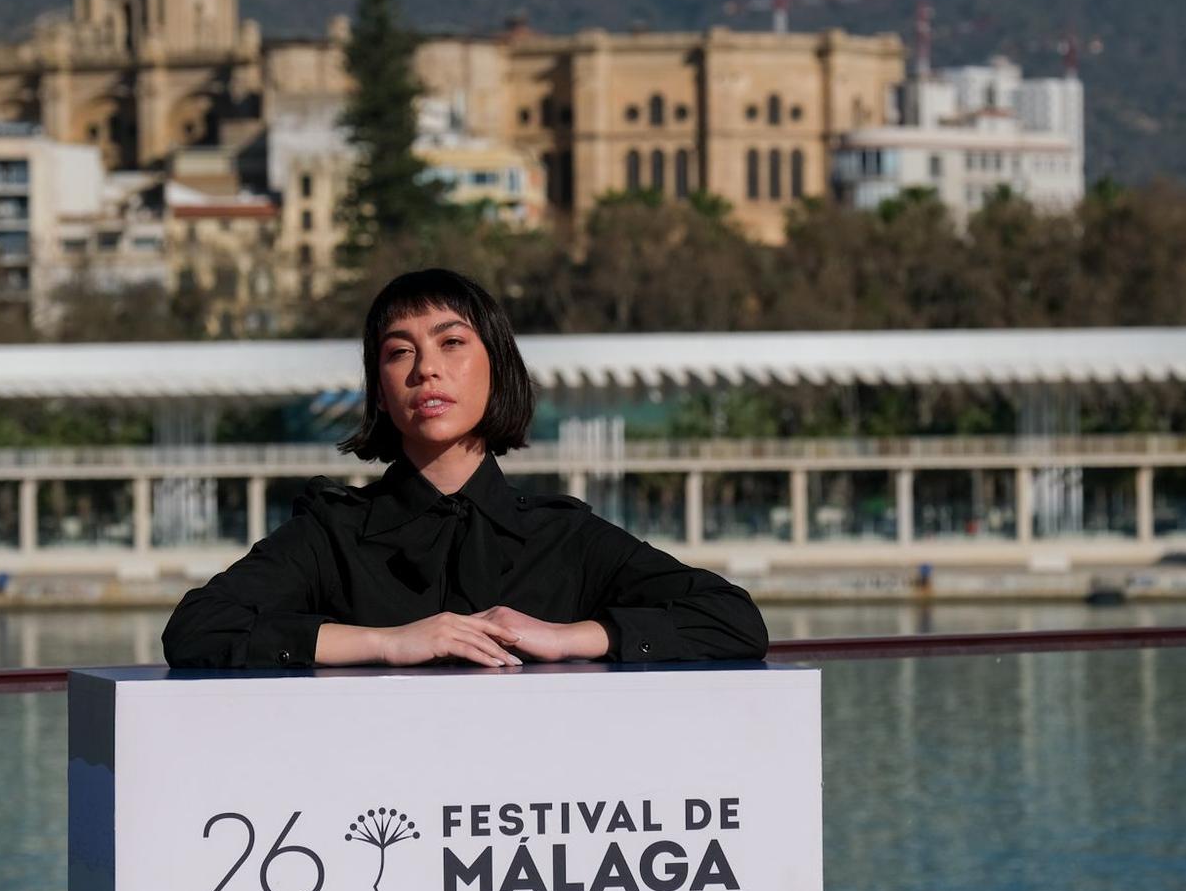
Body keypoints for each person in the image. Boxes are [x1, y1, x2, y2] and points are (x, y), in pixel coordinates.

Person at [162, 267, 769, 669]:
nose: (426, 369)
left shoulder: (565, 539)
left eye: (452, 343)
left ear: (497, 367)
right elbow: (196, 630)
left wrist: (568, 636)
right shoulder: (331, 535)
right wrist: (387, 643)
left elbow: (733, 620)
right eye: (400, 352)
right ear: (379, 389)